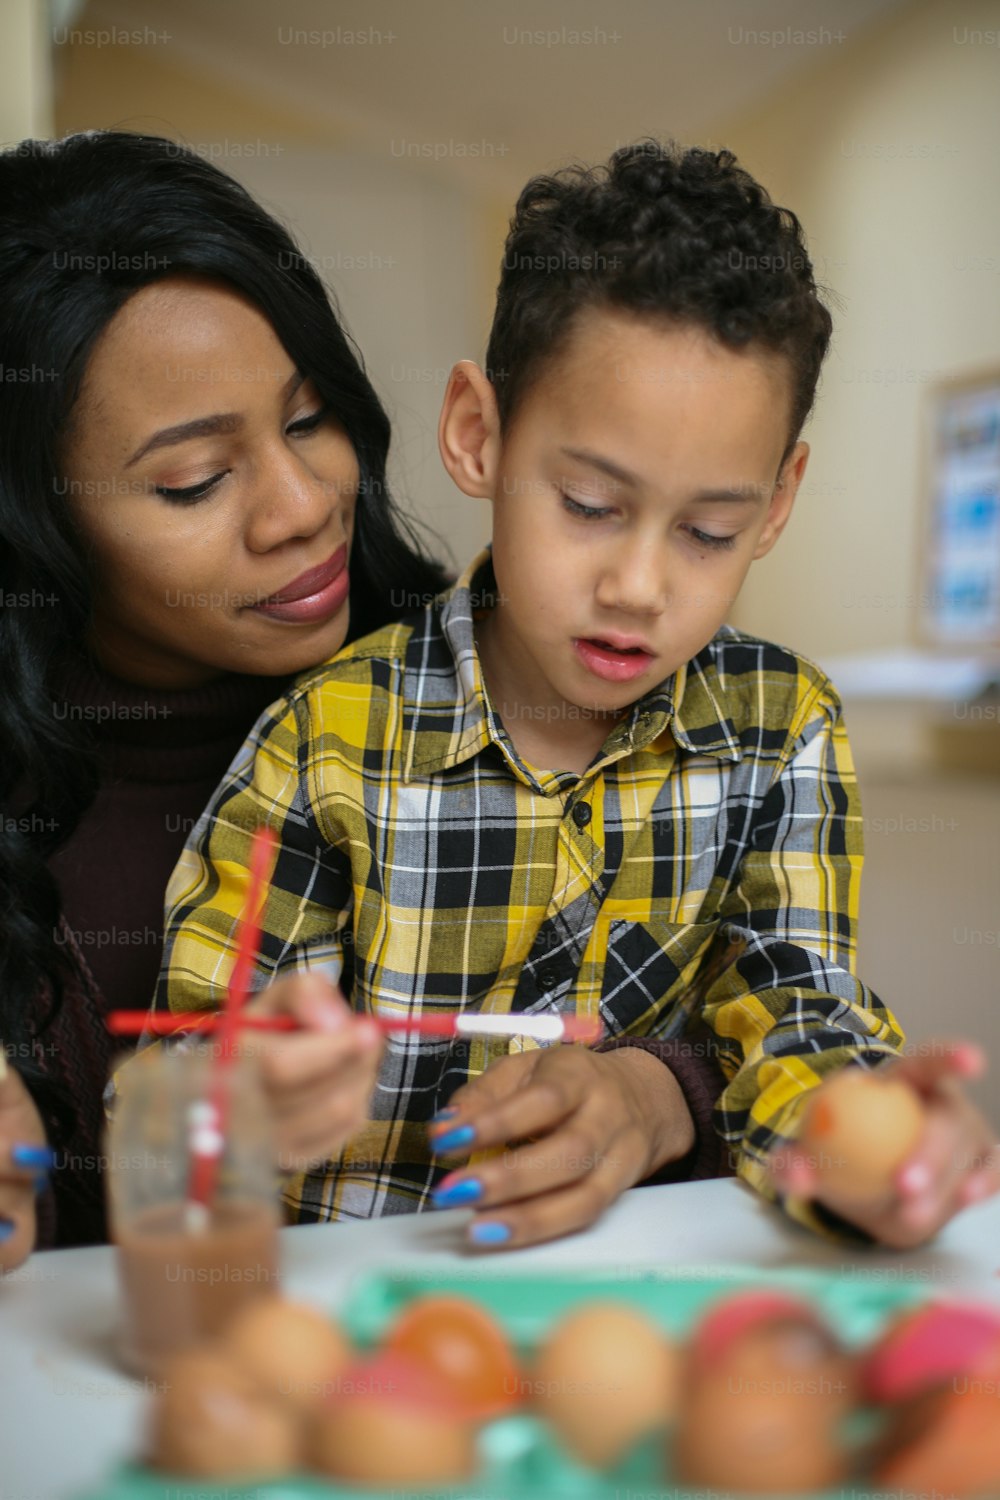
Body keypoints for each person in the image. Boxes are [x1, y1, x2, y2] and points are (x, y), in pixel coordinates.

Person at [152, 139, 998, 1252]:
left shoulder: (781, 728)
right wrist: (248, 1091)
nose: (639, 588)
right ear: (479, 436)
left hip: (638, 1293)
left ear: (778, 500)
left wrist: (862, 1137)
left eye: (709, 532)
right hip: (352, 1302)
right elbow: (189, 1066)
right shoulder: (327, 738)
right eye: (591, 504)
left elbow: (800, 1013)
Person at [0, 128, 458, 1266]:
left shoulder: (480, 692)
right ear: (36, 528)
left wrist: (660, 1091)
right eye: (193, 481)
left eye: (309, 419)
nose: (304, 506)